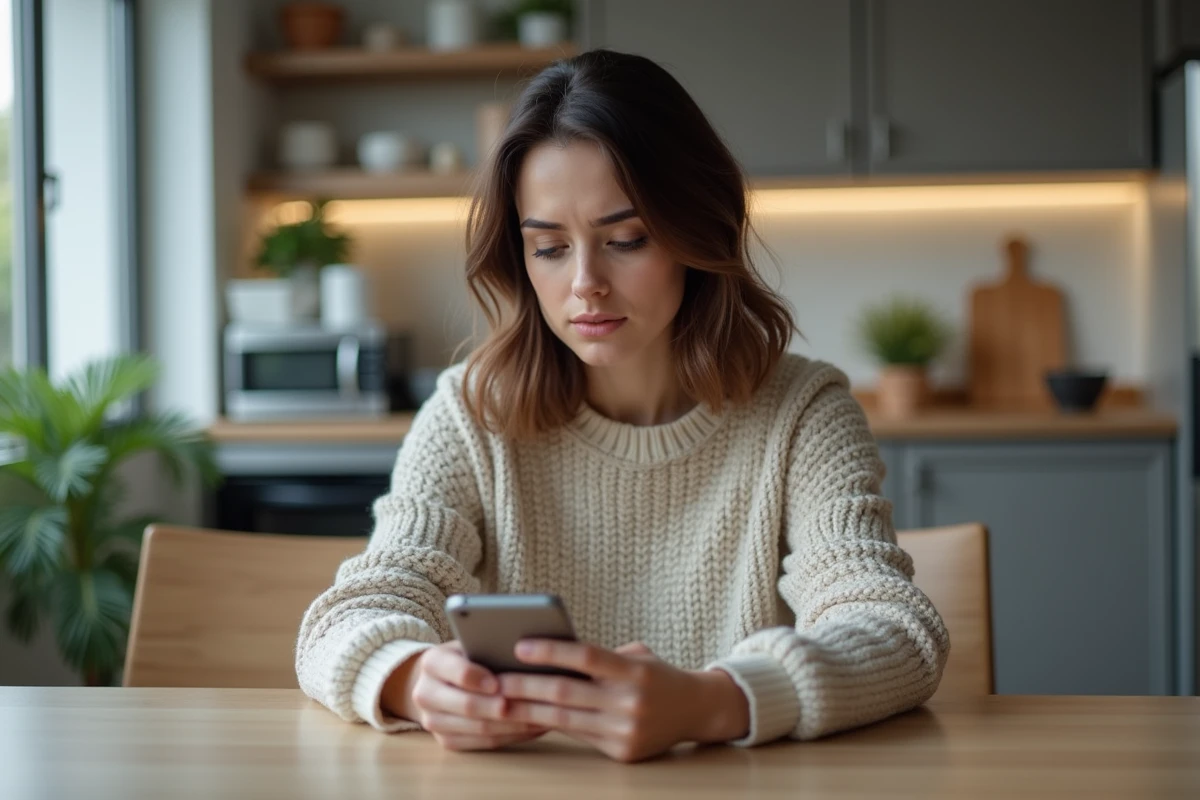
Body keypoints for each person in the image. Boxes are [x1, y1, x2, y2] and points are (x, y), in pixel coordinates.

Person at [296, 48, 949, 763]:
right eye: (548, 248)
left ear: (696, 231)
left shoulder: (802, 412)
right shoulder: (471, 413)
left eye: (626, 240)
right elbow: (349, 617)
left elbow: (896, 630)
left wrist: (713, 703)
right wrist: (415, 679)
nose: (585, 284)